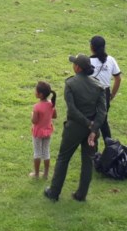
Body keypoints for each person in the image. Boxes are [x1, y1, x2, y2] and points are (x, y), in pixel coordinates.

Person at [44, 53, 107, 202]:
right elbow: (102, 111)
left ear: (77, 68)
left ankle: (54, 192)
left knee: (63, 158)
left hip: (74, 127)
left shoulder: (71, 84)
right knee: (88, 161)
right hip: (92, 130)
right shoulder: (98, 85)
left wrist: (87, 124)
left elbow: (72, 109)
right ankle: (81, 194)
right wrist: (93, 128)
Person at [89, 35, 121, 139]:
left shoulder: (88, 61)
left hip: (91, 93)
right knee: (103, 120)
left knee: (91, 119)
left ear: (92, 47)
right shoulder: (110, 60)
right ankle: (110, 145)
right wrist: (112, 94)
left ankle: (92, 145)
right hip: (105, 93)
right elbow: (118, 78)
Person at [30, 81, 56, 178]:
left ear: (40, 94)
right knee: (46, 152)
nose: (34, 92)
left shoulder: (37, 107)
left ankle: (36, 174)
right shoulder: (51, 104)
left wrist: (32, 115)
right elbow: (55, 115)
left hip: (38, 133)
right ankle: (45, 174)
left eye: (35, 91)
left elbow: (34, 121)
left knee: (37, 152)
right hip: (48, 131)